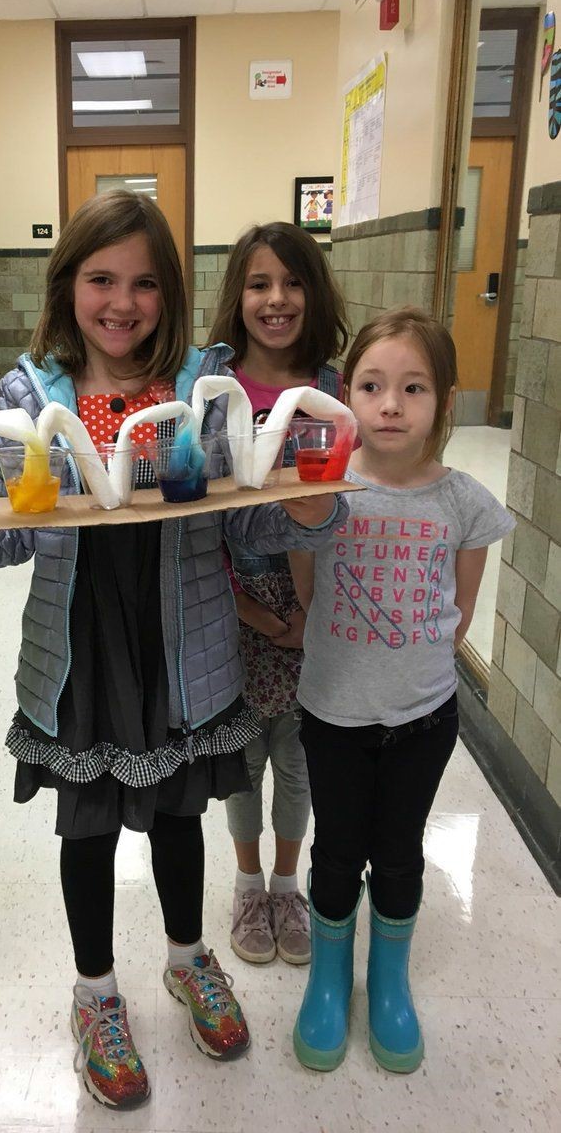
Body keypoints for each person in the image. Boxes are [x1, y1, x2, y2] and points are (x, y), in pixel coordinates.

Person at [0, 190, 347, 1110]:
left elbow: (243, 520)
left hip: (186, 646)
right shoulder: (32, 394)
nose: (122, 302)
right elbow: (11, 532)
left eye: (144, 283)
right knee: (87, 828)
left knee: (180, 816)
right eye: (102, 279)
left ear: (169, 294)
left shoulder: (198, 384)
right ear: (69, 287)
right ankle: (95, 994)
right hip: (83, 652)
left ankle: (187, 958)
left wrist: (309, 509)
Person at [289, 306, 514, 1074]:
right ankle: (328, 980)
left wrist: (405, 665)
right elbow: (308, 590)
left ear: (444, 403)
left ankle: (388, 982)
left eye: (413, 388)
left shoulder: (466, 505)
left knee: (399, 852)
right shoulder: (323, 494)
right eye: (372, 385)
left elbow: (457, 619)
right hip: (332, 715)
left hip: (423, 721)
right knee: (336, 849)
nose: (390, 404)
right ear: (344, 395)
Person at [209, 222, 348, 968]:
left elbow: (340, 509)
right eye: (260, 283)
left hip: (313, 607)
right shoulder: (212, 384)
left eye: (292, 283)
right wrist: (253, 611)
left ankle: (287, 884)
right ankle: (245, 882)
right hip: (229, 602)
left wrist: (304, 616)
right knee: (242, 757)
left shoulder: (332, 389)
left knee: (296, 755)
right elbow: (200, 514)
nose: (276, 299)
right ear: (239, 295)